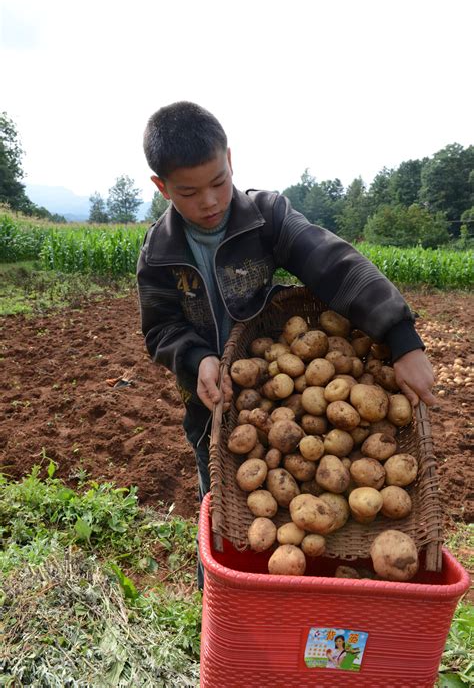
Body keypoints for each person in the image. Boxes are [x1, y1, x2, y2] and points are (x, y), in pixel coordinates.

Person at [137, 101, 436, 588]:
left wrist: (402, 340)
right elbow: (160, 329)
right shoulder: (158, 253)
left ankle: (297, 596)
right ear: (162, 188)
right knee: (217, 502)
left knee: (283, 528)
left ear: (230, 159)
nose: (210, 201)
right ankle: (219, 594)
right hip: (210, 400)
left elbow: (333, 264)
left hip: (268, 371)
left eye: (219, 181)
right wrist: (197, 358)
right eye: (190, 193)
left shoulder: (264, 216)